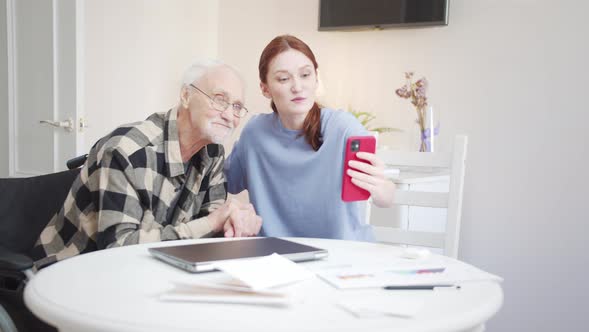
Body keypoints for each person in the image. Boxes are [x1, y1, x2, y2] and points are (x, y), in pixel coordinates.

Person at [33, 60, 262, 268]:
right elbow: (118, 248)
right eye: (220, 100)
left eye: (237, 106)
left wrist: (235, 223)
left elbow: (212, 229)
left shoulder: (212, 152)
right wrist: (214, 221)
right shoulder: (127, 151)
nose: (229, 115)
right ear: (186, 96)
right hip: (73, 272)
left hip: (149, 270)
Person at [224, 35, 395, 241]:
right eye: (284, 79)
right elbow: (224, 184)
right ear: (265, 88)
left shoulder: (342, 128)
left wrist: (381, 189)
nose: (297, 87)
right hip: (276, 259)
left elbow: (385, 198)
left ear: (316, 78)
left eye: (305, 75)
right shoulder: (255, 132)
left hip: (343, 256)